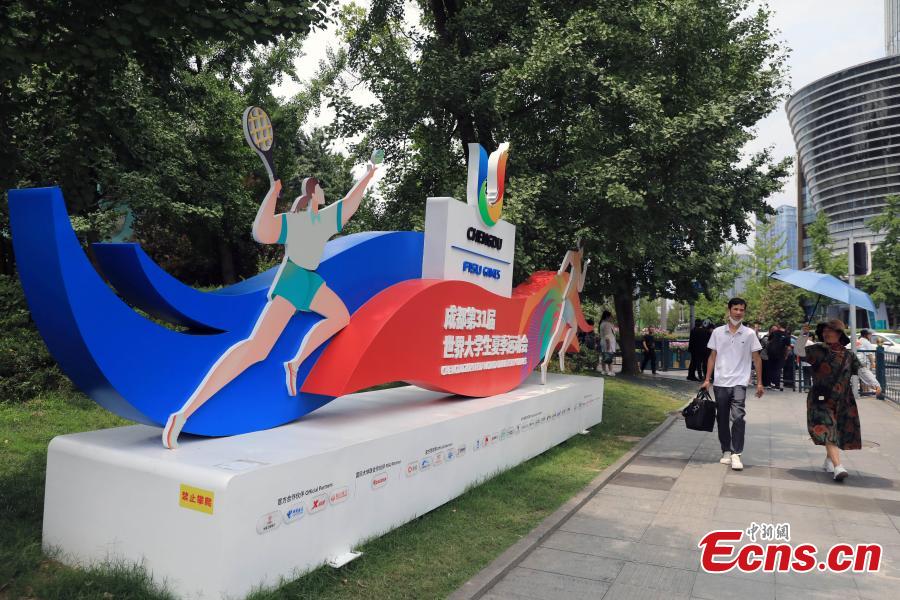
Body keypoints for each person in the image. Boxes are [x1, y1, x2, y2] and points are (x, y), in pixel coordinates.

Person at [162, 162, 380, 449]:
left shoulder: (325, 219)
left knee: (340, 316)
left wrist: (368, 175)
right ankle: (183, 414)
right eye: (321, 188)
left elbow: (350, 203)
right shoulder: (294, 221)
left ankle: (295, 363)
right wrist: (272, 194)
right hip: (293, 280)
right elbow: (262, 232)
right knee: (256, 349)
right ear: (313, 192)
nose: (325, 192)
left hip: (310, 281)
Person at [796, 320, 881, 481]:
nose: (826, 333)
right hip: (821, 400)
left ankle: (829, 460)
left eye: (831, 330)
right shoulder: (816, 350)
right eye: (824, 331)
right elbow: (798, 351)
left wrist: (875, 383)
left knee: (836, 431)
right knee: (828, 429)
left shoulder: (848, 355)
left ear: (839, 334)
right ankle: (838, 467)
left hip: (843, 400)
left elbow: (861, 370)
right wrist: (803, 334)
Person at [701, 298, 764, 471]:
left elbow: (757, 358)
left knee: (738, 417)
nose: (738, 312)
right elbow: (712, 356)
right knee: (722, 418)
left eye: (741, 310)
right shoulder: (717, 332)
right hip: (721, 382)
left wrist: (759, 383)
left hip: (740, 382)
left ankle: (737, 453)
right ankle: (726, 450)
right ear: (729, 310)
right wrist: (707, 379)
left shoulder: (749, 334)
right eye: (735, 309)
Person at [541, 243, 589, 382]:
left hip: (571, 300)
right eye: (583, 249)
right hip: (567, 299)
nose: (583, 252)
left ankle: (559, 354)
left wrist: (585, 268)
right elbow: (560, 271)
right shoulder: (571, 254)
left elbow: (579, 288)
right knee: (559, 332)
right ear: (580, 247)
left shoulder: (579, 263)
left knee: (571, 328)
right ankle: (547, 362)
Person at [765, 323, 790, 391]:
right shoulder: (786, 335)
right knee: (777, 369)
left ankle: (769, 384)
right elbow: (788, 347)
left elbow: (768, 342)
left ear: (779, 326)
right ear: (786, 327)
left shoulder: (774, 332)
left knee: (771, 369)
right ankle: (776, 385)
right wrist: (786, 355)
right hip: (780, 354)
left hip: (771, 354)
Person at [857, 329, 877, 396]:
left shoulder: (859, 340)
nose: (871, 336)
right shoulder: (866, 342)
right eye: (870, 334)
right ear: (866, 335)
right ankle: (866, 392)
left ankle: (864, 391)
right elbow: (869, 353)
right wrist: (872, 363)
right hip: (864, 361)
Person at [596, 310, 617, 376]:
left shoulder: (602, 323)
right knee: (609, 356)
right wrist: (608, 345)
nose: (611, 318)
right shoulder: (607, 324)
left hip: (604, 341)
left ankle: (604, 370)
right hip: (608, 342)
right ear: (607, 316)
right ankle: (610, 371)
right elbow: (607, 335)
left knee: (604, 356)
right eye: (610, 316)